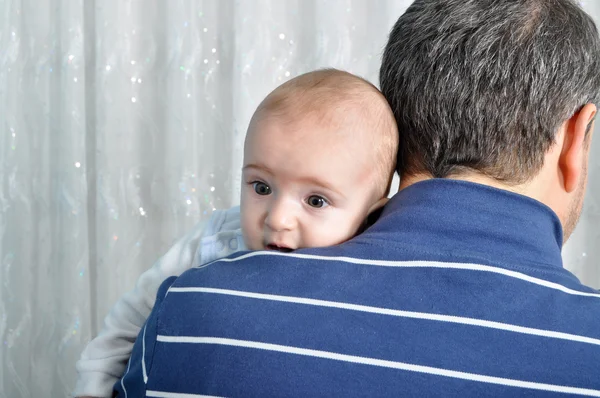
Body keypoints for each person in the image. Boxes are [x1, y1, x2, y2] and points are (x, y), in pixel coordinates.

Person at [115, 0, 600, 396]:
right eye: (261, 187)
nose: (280, 219)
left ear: (400, 122)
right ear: (578, 135)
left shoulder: (189, 310)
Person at [73, 69, 398, 397]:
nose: (278, 218)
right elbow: (128, 324)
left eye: (315, 200)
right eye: (262, 186)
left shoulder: (367, 272)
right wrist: (93, 389)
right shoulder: (215, 242)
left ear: (369, 217)